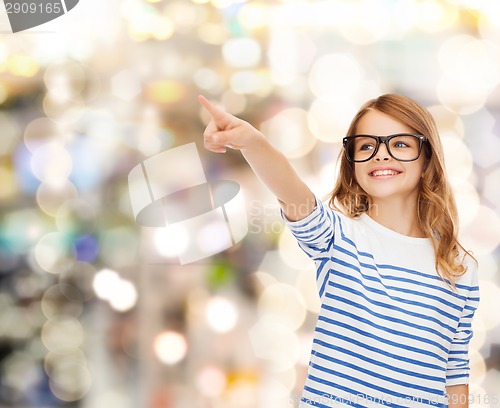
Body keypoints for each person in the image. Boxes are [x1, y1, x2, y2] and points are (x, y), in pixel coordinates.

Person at [198, 94, 479, 408]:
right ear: (352, 164)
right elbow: (289, 188)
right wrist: (251, 142)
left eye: (399, 144)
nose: (381, 155)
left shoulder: (459, 267)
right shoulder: (337, 236)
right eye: (366, 146)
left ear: (426, 157)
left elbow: (455, 374)